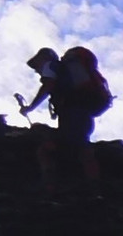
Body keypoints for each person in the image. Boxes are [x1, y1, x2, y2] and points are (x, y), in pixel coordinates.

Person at [18, 47, 106, 191]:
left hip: (73, 115)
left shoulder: (51, 65)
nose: (37, 70)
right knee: (80, 146)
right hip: (84, 115)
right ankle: (93, 185)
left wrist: (31, 107)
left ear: (44, 57)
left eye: (37, 64)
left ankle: (51, 186)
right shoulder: (69, 74)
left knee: (47, 150)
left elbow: (48, 86)